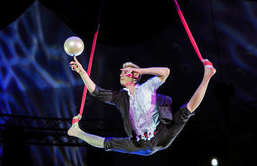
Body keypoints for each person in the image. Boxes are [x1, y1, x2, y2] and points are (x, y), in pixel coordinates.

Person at [67, 56, 216, 156]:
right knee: (108, 143)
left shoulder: (147, 87)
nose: (121, 75)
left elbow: (165, 72)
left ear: (135, 75)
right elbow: (96, 91)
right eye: (121, 72)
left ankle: (207, 76)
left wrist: (141, 70)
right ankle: (77, 132)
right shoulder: (120, 98)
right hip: (139, 143)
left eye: (125, 72)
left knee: (185, 111)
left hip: (161, 134)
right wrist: (81, 72)